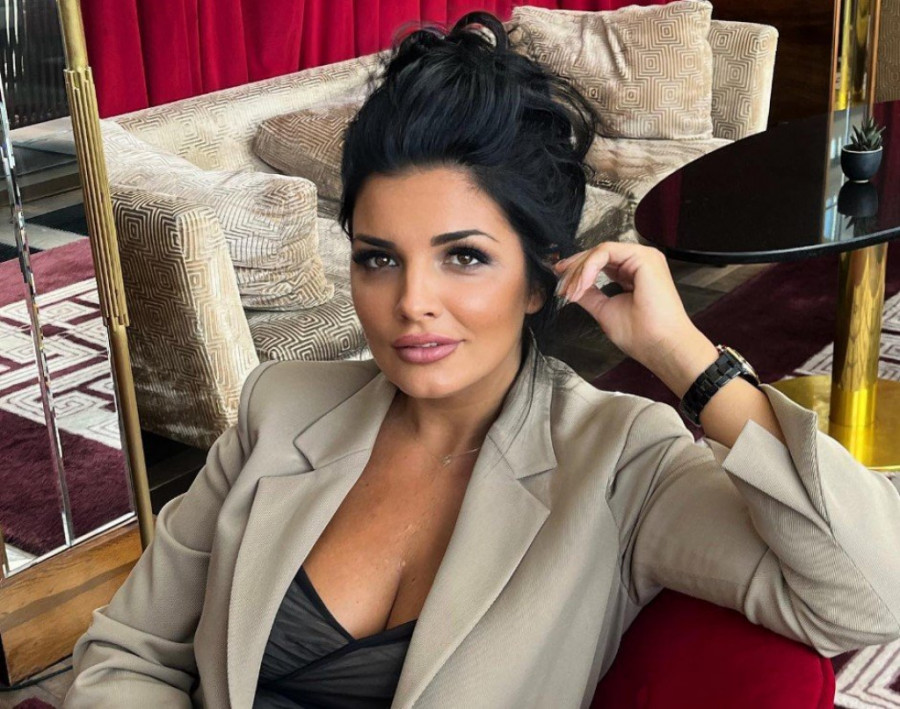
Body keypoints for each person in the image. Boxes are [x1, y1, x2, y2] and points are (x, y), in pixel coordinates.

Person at [65, 11, 900, 709]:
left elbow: (869, 596)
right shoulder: (280, 406)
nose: (411, 301)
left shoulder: (619, 460)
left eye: (463, 256)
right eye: (378, 257)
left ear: (539, 280)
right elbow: (127, 650)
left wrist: (688, 358)